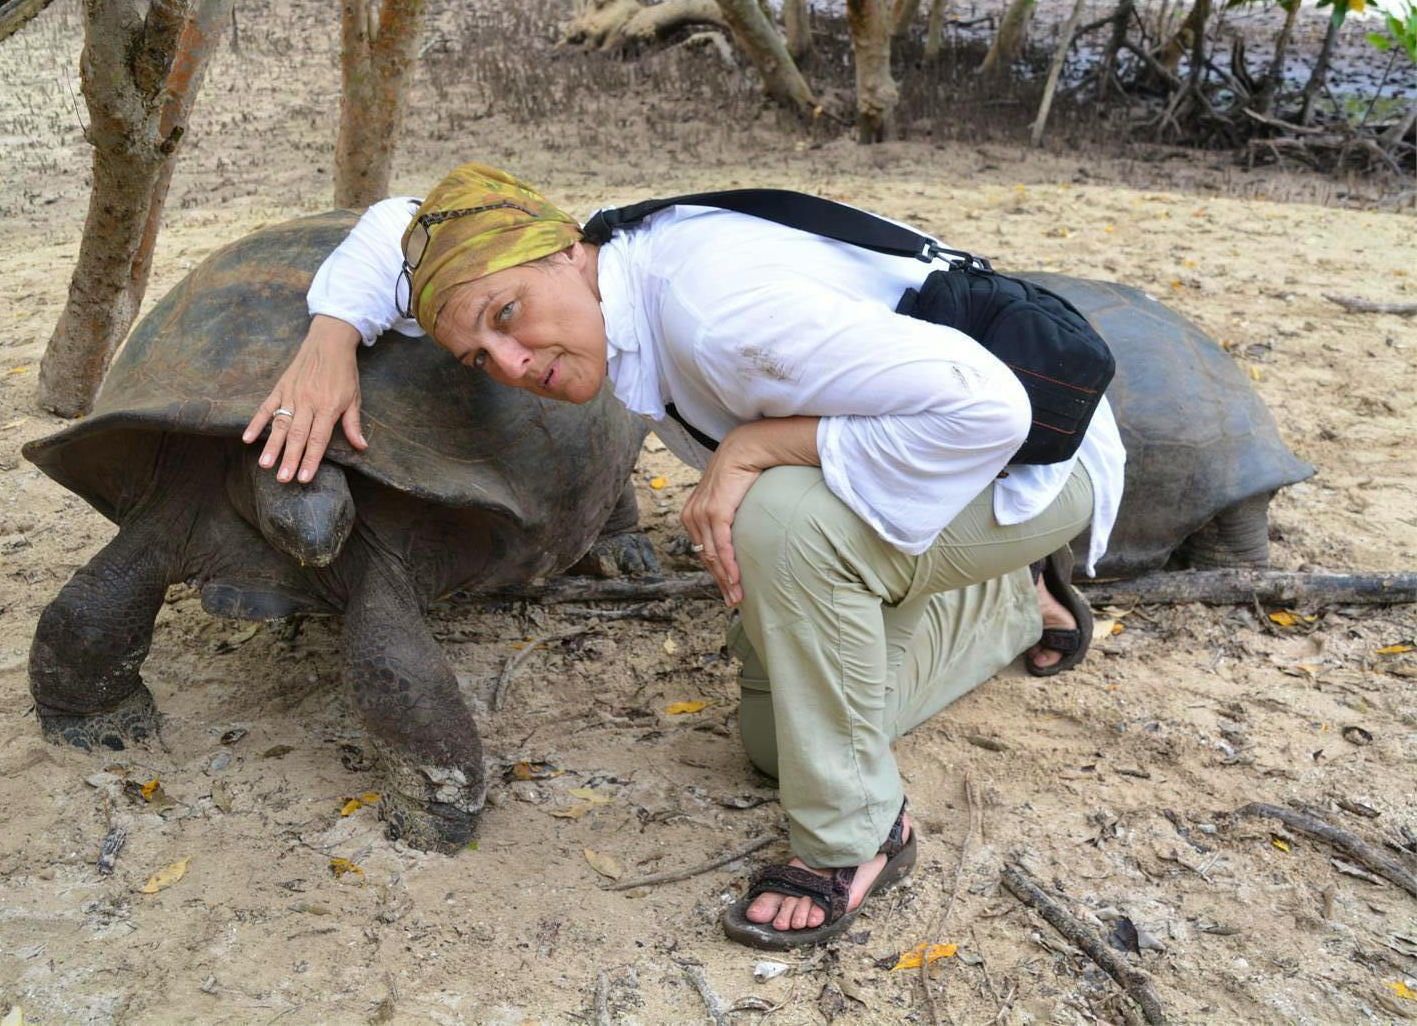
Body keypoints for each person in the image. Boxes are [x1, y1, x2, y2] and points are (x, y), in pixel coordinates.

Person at [243, 163, 1126, 949]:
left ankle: (858, 839)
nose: (511, 361)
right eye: (481, 354)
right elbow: (399, 217)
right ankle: (1013, 605)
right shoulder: (584, 257)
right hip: (928, 447)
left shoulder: (718, 318)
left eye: (508, 318)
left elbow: (991, 412)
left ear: (562, 250)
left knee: (778, 523)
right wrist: (330, 340)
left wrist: (750, 449)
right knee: (780, 743)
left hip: (1027, 466)